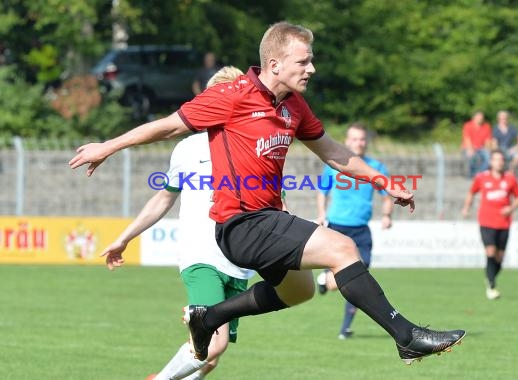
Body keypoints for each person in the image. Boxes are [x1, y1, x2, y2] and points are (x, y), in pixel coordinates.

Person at [69, 21, 465, 366]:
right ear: (275, 64)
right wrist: (107, 146)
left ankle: (206, 318)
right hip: (240, 224)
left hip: (267, 219)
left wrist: (384, 181)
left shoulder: (294, 105)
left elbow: (334, 153)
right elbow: (168, 126)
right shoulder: (232, 95)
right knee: (343, 249)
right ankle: (407, 337)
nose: (311, 68)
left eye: (311, 60)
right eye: (303, 61)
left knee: (299, 291)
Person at [102, 67, 251, 380]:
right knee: (214, 343)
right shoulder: (189, 148)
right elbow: (163, 199)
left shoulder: (256, 148)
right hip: (202, 255)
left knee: (209, 358)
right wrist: (124, 237)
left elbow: (277, 202)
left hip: (239, 261)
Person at [315, 122, 393, 340]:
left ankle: (344, 325)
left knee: (359, 278)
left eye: (362, 139)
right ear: (347, 141)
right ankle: (327, 283)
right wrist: (321, 214)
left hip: (361, 230)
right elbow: (322, 192)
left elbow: (387, 196)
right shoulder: (334, 165)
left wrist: (387, 215)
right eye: (355, 139)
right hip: (338, 228)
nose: (359, 142)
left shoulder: (375, 167)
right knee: (347, 278)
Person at [462, 150, 518, 300]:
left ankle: (490, 277)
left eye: (501, 160)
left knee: (499, 258)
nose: (499, 162)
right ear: (491, 162)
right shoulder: (481, 178)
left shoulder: (510, 179)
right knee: (490, 251)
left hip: (504, 223)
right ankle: (491, 287)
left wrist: (511, 208)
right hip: (486, 222)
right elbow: (471, 193)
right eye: (496, 159)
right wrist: (466, 208)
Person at [462, 111, 492, 178]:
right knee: (471, 156)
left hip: (481, 148)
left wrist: (488, 149)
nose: (480, 118)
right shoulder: (468, 125)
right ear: (474, 117)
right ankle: (471, 174)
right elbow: (467, 139)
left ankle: (479, 173)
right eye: (478, 117)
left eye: (481, 117)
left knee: (489, 157)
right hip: (468, 147)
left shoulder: (486, 126)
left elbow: (488, 140)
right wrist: (470, 149)